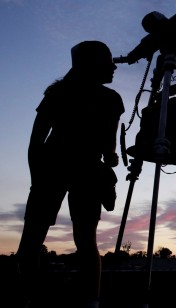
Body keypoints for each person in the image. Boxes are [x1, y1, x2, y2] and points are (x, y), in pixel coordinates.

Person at [16, 40, 125, 308]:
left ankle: (26, 299)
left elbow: (35, 144)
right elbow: (109, 146)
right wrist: (111, 158)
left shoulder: (58, 93)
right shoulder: (110, 99)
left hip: (54, 168)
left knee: (32, 239)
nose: (114, 66)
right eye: (107, 60)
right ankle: (89, 303)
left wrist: (37, 180)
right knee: (86, 241)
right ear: (91, 64)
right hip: (83, 170)